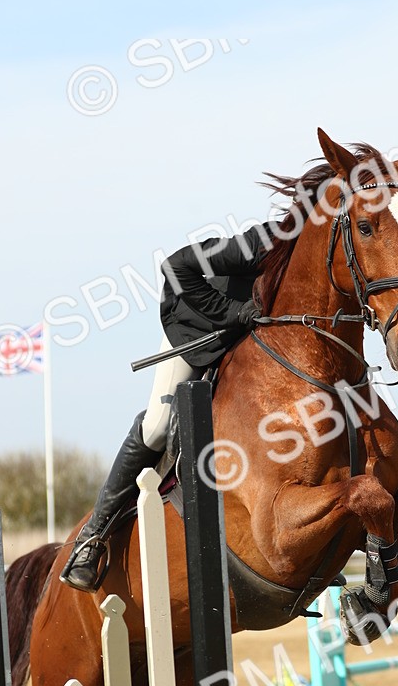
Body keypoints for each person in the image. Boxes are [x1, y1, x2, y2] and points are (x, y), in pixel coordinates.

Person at [60, 225, 273, 591]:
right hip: (196, 333)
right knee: (158, 426)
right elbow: (176, 266)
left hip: (247, 350)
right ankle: (91, 539)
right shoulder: (259, 244)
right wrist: (235, 312)